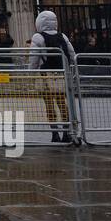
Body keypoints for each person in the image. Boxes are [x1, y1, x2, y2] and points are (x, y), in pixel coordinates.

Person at [30, 9, 76, 143]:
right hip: (61, 74)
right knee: (62, 103)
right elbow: (72, 55)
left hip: (46, 76)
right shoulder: (63, 36)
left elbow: (34, 60)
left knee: (49, 104)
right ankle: (67, 132)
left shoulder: (38, 37)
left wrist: (30, 75)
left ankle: (55, 132)